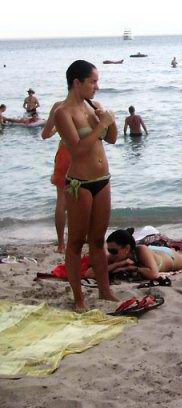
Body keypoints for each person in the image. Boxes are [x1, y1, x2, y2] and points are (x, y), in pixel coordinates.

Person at [54, 60, 119, 311]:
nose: (97, 86)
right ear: (76, 83)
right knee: (76, 241)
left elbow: (111, 139)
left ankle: (105, 291)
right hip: (79, 183)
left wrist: (109, 121)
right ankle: (79, 298)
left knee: (98, 240)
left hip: (102, 180)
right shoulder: (63, 113)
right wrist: (100, 125)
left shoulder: (93, 107)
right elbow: (77, 150)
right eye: (93, 82)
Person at [98, 228, 182, 280]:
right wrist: (117, 265)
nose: (110, 253)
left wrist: (131, 268)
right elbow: (92, 273)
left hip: (169, 258)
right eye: (109, 250)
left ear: (126, 249)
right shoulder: (115, 256)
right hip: (153, 252)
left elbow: (154, 274)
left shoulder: (141, 250)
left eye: (113, 251)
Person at [42, 98, 69, 252]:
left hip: (64, 151)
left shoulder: (59, 106)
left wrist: (58, 129)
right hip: (82, 154)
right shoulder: (86, 106)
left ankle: (61, 244)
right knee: (81, 197)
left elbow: (45, 134)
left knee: (61, 200)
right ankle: (81, 236)